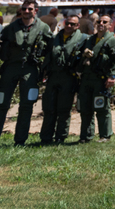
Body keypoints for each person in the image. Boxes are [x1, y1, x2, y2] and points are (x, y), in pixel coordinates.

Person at [0, 0, 52, 147]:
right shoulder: (11, 27)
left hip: (30, 70)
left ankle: (20, 140)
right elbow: (0, 45)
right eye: (24, 9)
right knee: (1, 103)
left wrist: (45, 69)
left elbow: (51, 48)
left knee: (27, 105)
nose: (26, 11)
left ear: (36, 11)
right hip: (11, 68)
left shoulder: (43, 28)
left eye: (30, 9)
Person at [40, 12, 88, 145]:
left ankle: (60, 136)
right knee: (49, 108)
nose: (69, 26)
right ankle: (46, 137)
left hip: (69, 77)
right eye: (67, 23)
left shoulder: (83, 39)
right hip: (53, 76)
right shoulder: (55, 38)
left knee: (64, 109)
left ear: (77, 26)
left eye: (73, 24)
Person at [77, 15, 115, 143]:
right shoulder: (89, 40)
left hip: (101, 80)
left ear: (110, 25)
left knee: (102, 108)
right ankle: (86, 136)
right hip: (87, 79)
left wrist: (112, 76)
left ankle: (105, 135)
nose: (101, 23)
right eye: (99, 21)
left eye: (105, 22)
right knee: (85, 108)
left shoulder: (112, 40)